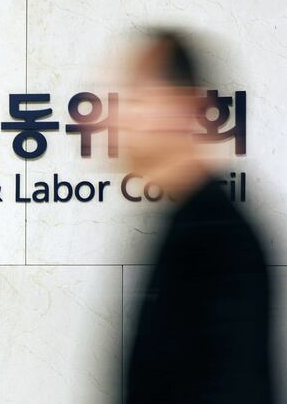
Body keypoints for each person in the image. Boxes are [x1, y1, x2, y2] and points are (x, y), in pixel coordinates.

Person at [118, 28, 275, 403]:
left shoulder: (220, 241)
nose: (118, 120)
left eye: (137, 99)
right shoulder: (184, 224)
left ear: (184, 106)